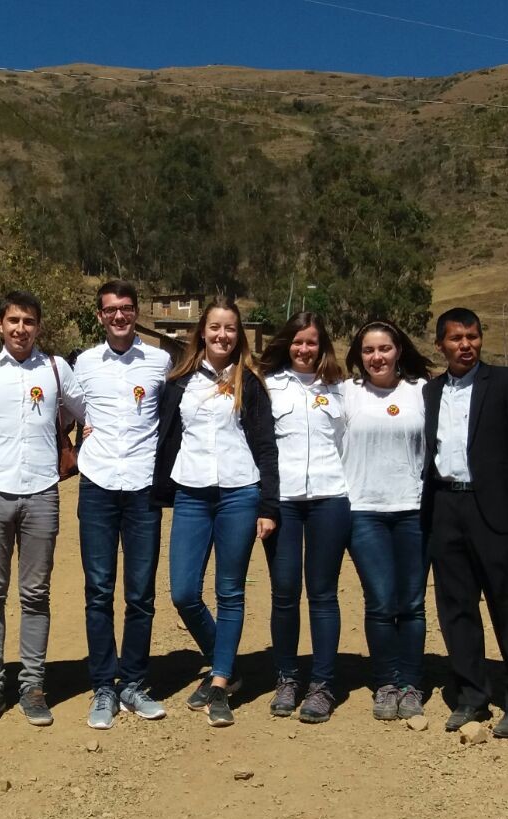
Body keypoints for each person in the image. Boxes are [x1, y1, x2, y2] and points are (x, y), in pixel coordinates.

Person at [422, 307, 508, 740]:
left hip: (492, 510)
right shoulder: (430, 392)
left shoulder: (506, 383)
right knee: (456, 607)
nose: (466, 345)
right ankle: (472, 696)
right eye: (456, 338)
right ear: (440, 345)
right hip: (445, 507)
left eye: (473, 336)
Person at [153, 296, 279, 728]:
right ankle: (223, 656)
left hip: (239, 493)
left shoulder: (252, 382)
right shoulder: (179, 382)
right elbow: (159, 430)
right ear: (201, 332)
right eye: (215, 328)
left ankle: (222, 680)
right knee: (183, 592)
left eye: (230, 328)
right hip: (191, 492)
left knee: (230, 591)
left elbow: (265, 445)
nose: (222, 335)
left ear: (238, 334)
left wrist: (268, 503)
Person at [0, 291, 83, 727]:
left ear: (38, 326)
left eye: (29, 321)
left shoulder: (55, 369)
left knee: (35, 595)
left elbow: (87, 411)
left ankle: (32, 686)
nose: (20, 328)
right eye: (13, 320)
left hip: (42, 495)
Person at [72, 280, 173, 729]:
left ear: (136, 312)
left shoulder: (159, 361)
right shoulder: (84, 363)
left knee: (140, 594)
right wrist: (77, 436)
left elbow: (170, 419)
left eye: (126, 309)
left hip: (141, 488)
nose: (119, 316)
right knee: (98, 591)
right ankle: (102, 687)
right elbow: (68, 408)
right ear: (100, 316)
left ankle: (132, 682)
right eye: (110, 310)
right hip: (96, 486)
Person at [257, 311, 350, 724]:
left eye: (311, 341)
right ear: (286, 343)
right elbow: (258, 445)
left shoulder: (340, 389)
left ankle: (323, 684)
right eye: (297, 341)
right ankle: (287, 678)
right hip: (284, 501)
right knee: (284, 591)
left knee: (323, 592)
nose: (304, 348)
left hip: (331, 497)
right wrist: (264, 503)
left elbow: (349, 443)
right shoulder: (268, 386)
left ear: (322, 345)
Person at [340, 320, 433, 723]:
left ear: (399, 351)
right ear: (359, 356)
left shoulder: (422, 392)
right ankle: (386, 682)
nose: (376, 357)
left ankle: (411, 683)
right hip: (364, 511)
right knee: (380, 602)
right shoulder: (346, 393)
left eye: (384, 349)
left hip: (414, 509)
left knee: (412, 603)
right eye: (368, 350)